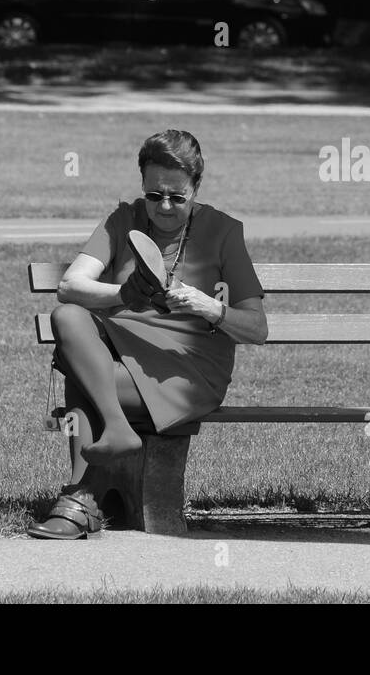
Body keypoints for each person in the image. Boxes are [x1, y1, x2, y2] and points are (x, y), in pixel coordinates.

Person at [28, 130, 269, 539]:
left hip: (187, 371)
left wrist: (207, 305)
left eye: (178, 196)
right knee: (67, 316)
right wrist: (122, 293)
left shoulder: (224, 232)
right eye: (154, 195)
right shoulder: (123, 219)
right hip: (122, 357)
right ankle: (103, 460)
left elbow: (257, 327)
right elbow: (70, 287)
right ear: (143, 186)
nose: (165, 206)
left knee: (82, 378)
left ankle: (82, 498)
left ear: (196, 187)